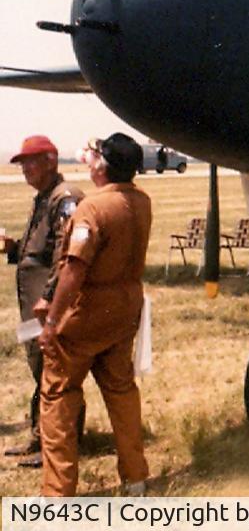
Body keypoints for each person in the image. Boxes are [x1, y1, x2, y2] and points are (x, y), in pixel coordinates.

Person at [37, 133, 151, 497]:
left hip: (88, 313)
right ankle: (135, 478)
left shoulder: (93, 208)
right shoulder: (141, 201)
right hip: (125, 307)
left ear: (102, 165)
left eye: (94, 156)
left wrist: (52, 322)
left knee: (57, 398)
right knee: (121, 392)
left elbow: (73, 270)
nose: (88, 160)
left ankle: (58, 496)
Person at [3, 135, 83, 468]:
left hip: (46, 307)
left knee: (55, 373)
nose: (25, 169)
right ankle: (41, 435)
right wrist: (12, 247)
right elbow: (39, 250)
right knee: (39, 369)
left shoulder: (64, 199)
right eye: (22, 164)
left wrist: (50, 297)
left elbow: (66, 255)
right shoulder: (43, 198)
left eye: (32, 161)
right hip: (31, 307)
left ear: (52, 161)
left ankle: (63, 443)